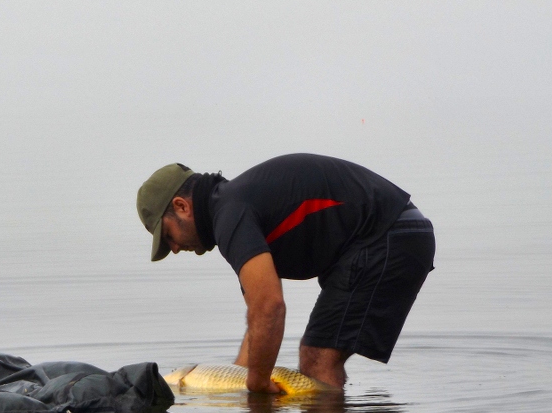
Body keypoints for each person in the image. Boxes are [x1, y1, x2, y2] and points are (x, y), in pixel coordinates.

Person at [136, 154, 435, 391]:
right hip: (393, 233)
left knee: (317, 358)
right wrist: (239, 381)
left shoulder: (232, 214)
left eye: (168, 236)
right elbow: (259, 317)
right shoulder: (233, 210)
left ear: (181, 206)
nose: (173, 248)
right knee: (315, 355)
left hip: (389, 234)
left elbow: (270, 306)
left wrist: (256, 382)